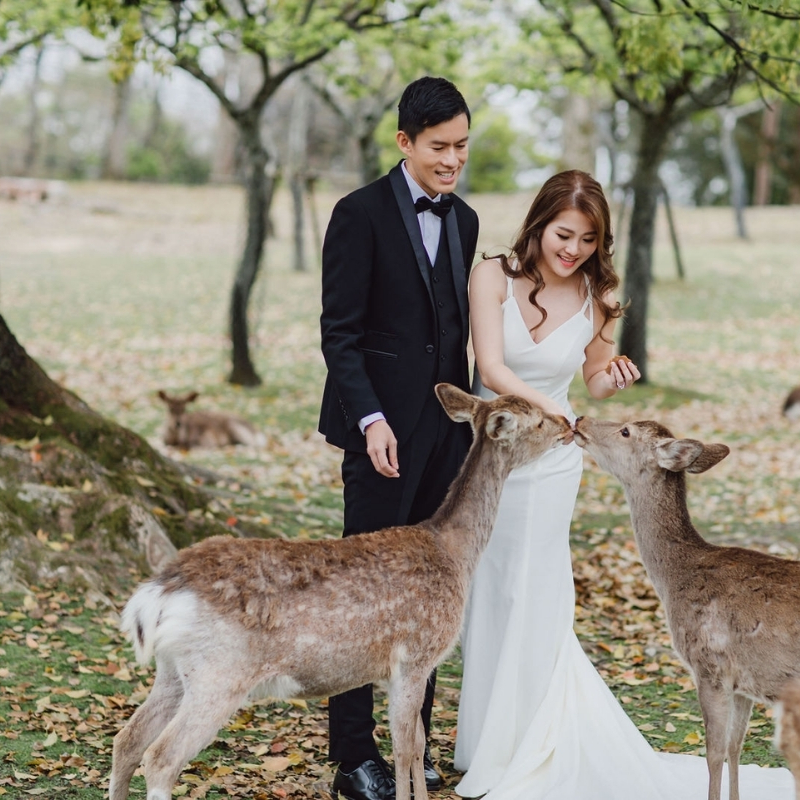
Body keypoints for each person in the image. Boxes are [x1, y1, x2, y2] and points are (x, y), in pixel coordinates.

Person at [453, 170, 795, 799]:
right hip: (498, 454)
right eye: (563, 234)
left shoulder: (597, 295)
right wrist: (551, 411)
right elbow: (491, 366)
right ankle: (485, 740)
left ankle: (534, 738)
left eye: (587, 239)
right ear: (538, 224)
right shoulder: (490, 275)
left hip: (555, 460)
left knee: (537, 589)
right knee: (492, 588)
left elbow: (591, 381)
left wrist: (613, 378)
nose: (572, 249)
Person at [318, 76, 480, 800]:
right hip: (377, 436)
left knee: (432, 594)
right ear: (404, 142)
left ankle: (413, 748)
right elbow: (340, 335)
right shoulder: (357, 215)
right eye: (440, 147)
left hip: (445, 442)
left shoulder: (467, 220)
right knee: (363, 596)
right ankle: (352, 756)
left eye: (463, 148)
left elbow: (454, 335)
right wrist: (372, 420)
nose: (452, 161)